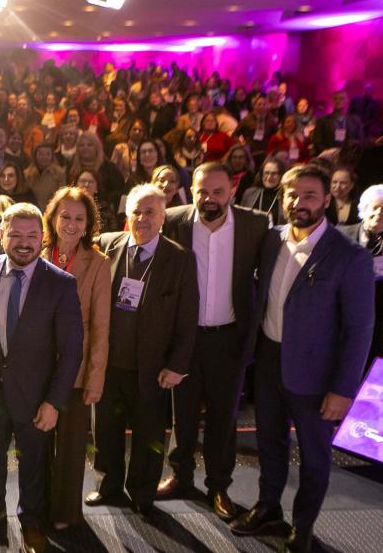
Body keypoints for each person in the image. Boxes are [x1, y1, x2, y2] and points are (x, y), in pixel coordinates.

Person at [231, 164, 374, 552]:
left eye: (310, 195)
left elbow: (359, 330)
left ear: (327, 200)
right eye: (293, 195)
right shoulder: (272, 239)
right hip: (269, 361)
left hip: (318, 376)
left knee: (313, 455)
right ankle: (268, 508)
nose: (300, 203)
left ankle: (303, 525)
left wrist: (343, 390)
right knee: (269, 444)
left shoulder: (349, 256)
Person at [0, 202, 82, 553]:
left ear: (43, 238)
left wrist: (54, 402)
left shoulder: (61, 284)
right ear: (1, 235)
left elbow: (72, 351)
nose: (24, 242)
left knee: (32, 464)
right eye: (15, 234)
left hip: (36, 396)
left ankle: (31, 521)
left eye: (32, 235)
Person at [157, 163, 269, 522]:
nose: (209, 199)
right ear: (192, 189)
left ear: (232, 191)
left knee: (224, 417)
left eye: (218, 192)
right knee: (182, 414)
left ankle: (219, 485)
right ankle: (180, 475)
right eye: (202, 191)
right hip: (185, 339)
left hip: (229, 339)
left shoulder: (255, 224)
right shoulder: (173, 220)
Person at [85, 183, 198, 516]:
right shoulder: (106, 245)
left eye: (150, 212)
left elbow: (187, 317)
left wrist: (178, 364)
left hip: (153, 367)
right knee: (104, 430)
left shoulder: (180, 259)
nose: (142, 218)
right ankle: (108, 486)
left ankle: (142, 492)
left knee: (149, 435)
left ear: (163, 217)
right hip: (108, 364)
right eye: (136, 211)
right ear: (126, 214)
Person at [42, 187, 111, 530]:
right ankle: (38, 506)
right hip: (36, 366)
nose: (71, 223)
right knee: (37, 444)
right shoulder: (36, 252)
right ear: (53, 218)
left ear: (88, 224)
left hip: (77, 368)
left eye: (79, 218)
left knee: (70, 447)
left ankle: (66, 512)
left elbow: (101, 325)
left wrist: (95, 379)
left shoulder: (98, 263)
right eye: (65, 216)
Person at [339, 184, 383, 366]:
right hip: (343, 317)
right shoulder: (341, 236)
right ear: (363, 209)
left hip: (379, 321)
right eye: (374, 208)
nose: (379, 214)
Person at [313, 90, 364, 155]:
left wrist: (354, 143)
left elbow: (361, 140)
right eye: (335, 99)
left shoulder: (355, 120)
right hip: (329, 158)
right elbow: (317, 142)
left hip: (350, 157)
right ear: (332, 101)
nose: (338, 101)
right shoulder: (322, 121)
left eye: (342, 98)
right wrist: (329, 153)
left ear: (347, 101)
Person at [241, 157, 286, 227]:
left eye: (274, 174)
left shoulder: (286, 196)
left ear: (281, 175)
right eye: (266, 173)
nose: (269, 177)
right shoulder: (249, 193)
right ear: (261, 174)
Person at [24, 142, 66, 211]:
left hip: (51, 210)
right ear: (35, 156)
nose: (44, 157)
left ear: (52, 156)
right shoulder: (27, 173)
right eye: (40, 154)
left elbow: (62, 195)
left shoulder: (59, 173)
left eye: (48, 154)